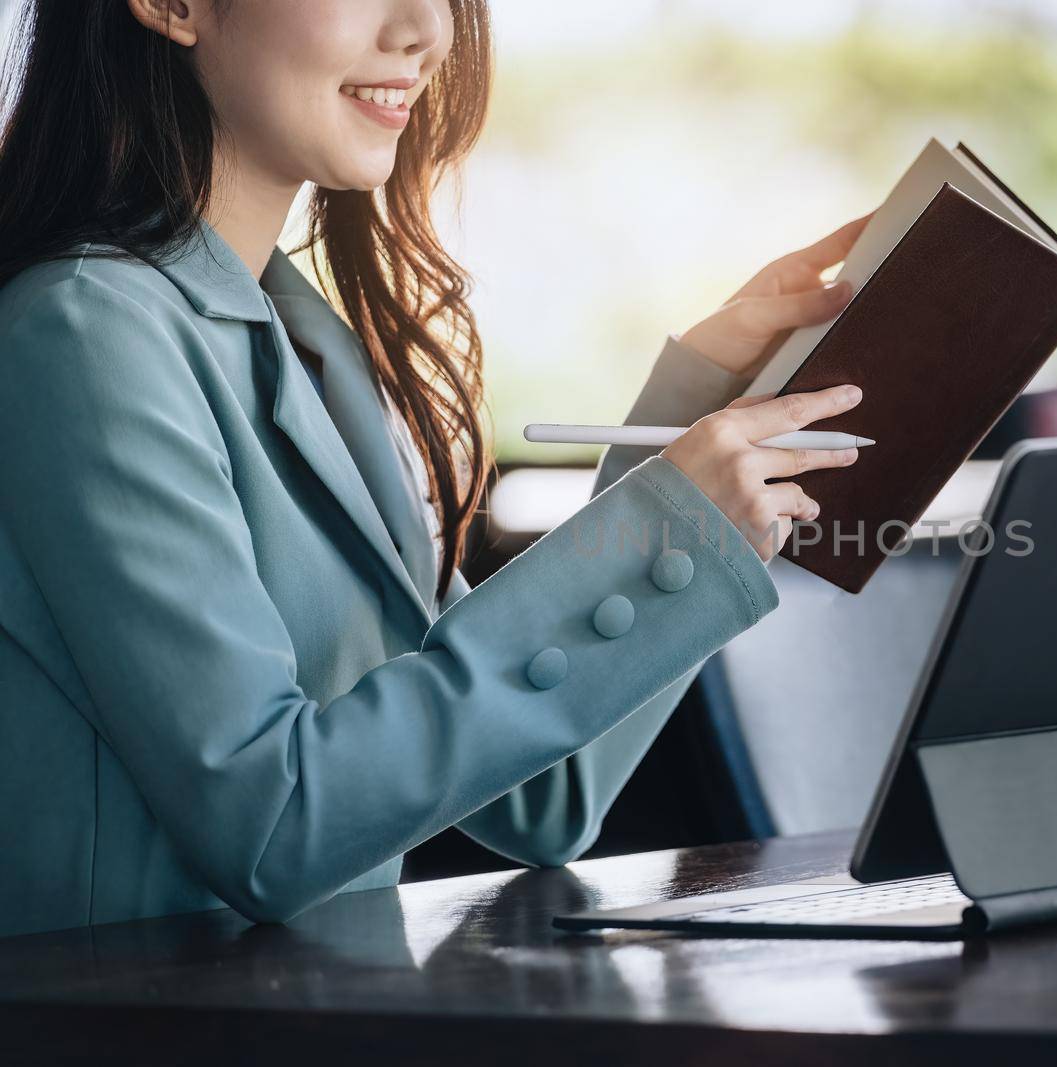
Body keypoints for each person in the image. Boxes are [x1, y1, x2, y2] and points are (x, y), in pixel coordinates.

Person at [0, 0, 867, 936]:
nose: (426, 30)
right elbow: (271, 826)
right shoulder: (84, 329)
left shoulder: (304, 342)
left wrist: (698, 403)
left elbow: (543, 796)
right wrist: (671, 532)